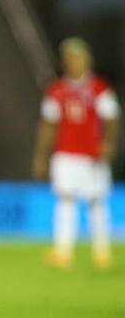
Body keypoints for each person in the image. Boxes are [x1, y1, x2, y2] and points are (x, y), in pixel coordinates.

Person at [33, 37, 120, 269]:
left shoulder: (100, 88)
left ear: (87, 60)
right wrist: (41, 156)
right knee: (65, 199)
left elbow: (112, 119)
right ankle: (63, 251)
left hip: (92, 154)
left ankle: (102, 252)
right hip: (65, 154)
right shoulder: (56, 90)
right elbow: (48, 124)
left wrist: (108, 143)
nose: (73, 62)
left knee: (96, 200)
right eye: (69, 58)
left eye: (77, 57)